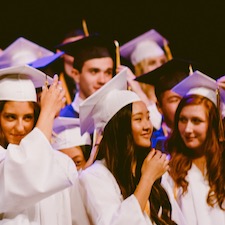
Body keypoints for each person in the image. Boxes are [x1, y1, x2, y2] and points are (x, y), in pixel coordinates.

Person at [78, 68, 184, 225]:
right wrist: (147, 178)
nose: (148, 126)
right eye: (138, 119)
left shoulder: (152, 169)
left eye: (148, 117)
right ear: (120, 127)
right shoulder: (94, 178)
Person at [0, 65, 89, 225]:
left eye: (27, 117)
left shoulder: (61, 164)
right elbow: (25, 170)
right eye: (10, 117)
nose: (20, 127)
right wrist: (47, 111)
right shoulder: (4, 162)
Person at [161, 70, 225, 225]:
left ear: (213, 125)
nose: (188, 129)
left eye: (196, 121)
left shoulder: (222, 166)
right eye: (183, 120)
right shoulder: (169, 171)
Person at [135, 58, 192, 151]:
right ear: (159, 107)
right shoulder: (151, 145)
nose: (183, 104)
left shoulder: (204, 139)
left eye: (186, 98)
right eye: (174, 100)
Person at [57, 33, 116, 118]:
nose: (102, 80)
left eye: (108, 72)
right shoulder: (62, 121)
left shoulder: (118, 115)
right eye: (94, 71)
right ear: (76, 75)